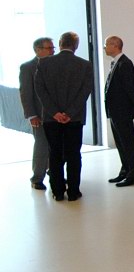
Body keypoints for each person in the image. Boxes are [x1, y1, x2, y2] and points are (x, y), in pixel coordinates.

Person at [34, 31, 93, 202]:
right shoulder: (84, 65)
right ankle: (73, 191)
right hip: (74, 119)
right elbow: (85, 91)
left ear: (60, 44)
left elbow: (40, 91)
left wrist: (55, 112)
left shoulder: (44, 64)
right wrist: (70, 113)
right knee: (74, 154)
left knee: (55, 154)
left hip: (51, 119)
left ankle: (57, 191)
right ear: (76, 46)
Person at [103, 36, 134, 187]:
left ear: (115, 45)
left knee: (128, 143)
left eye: (106, 45)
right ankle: (125, 171)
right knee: (121, 143)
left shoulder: (125, 63)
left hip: (122, 111)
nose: (105, 47)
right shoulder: (116, 62)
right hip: (115, 110)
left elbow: (129, 87)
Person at [19, 36, 54, 191]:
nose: (52, 51)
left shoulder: (55, 65)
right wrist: (32, 115)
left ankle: (54, 172)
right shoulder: (27, 67)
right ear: (38, 50)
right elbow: (25, 93)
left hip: (56, 114)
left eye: (53, 48)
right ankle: (37, 178)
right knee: (42, 146)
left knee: (56, 146)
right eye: (49, 48)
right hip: (39, 115)